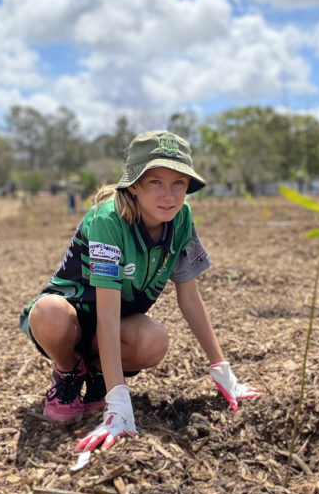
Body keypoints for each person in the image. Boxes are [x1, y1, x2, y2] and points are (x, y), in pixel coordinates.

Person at [19, 130, 262, 452]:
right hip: (74, 318)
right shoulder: (109, 220)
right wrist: (119, 406)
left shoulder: (181, 219)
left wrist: (223, 372)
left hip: (116, 324)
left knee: (154, 341)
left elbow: (189, 298)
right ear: (133, 185)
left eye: (179, 183)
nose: (169, 195)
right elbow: (104, 313)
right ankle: (68, 371)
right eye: (156, 182)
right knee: (48, 313)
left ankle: (98, 377)